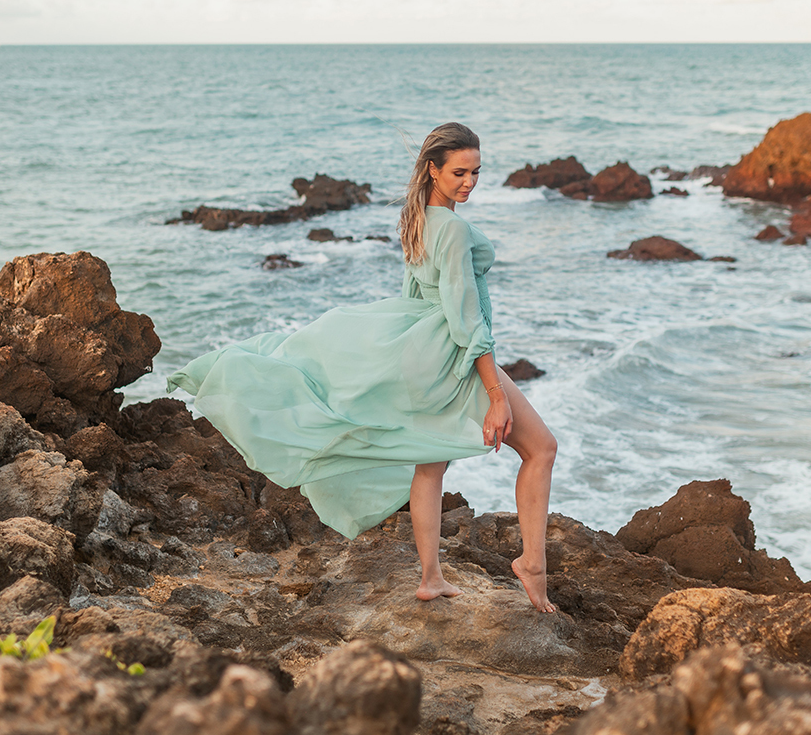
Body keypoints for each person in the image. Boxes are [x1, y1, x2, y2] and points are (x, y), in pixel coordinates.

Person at [167, 122, 557, 613]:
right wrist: (496, 396)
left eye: (477, 171)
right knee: (541, 448)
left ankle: (432, 579)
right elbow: (466, 317)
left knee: (430, 460)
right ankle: (533, 565)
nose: (470, 182)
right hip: (451, 351)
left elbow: (413, 295)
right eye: (459, 172)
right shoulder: (453, 229)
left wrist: (404, 357)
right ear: (432, 169)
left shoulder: (417, 218)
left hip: (422, 350)